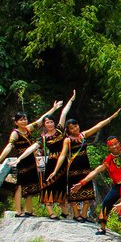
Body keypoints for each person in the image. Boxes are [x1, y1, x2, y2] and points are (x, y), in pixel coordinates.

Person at [70, 109, 121, 241]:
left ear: (119, 143)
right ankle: (102, 227)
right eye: (112, 145)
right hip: (118, 185)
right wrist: (82, 183)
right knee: (107, 202)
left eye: (116, 143)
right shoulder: (108, 160)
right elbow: (96, 171)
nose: (115, 146)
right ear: (109, 147)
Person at [45, 109, 121, 223]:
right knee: (74, 193)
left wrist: (110, 118)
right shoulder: (67, 140)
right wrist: (55, 171)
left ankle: (84, 215)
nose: (75, 129)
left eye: (76, 126)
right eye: (72, 128)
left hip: (85, 168)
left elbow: (97, 126)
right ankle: (76, 215)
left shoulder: (83, 135)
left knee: (88, 193)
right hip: (73, 169)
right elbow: (62, 156)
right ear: (68, 130)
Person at [0, 100, 63, 216]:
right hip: (22, 160)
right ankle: (18, 211)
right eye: (21, 120)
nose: (24, 121)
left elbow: (41, 119)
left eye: (25, 119)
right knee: (20, 185)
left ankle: (28, 210)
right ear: (16, 122)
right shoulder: (15, 133)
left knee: (32, 185)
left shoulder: (28, 129)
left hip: (32, 160)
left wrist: (54, 108)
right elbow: (9, 147)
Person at [38, 91, 77, 219]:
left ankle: (64, 212)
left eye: (51, 122)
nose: (50, 124)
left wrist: (71, 100)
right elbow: (34, 148)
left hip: (63, 162)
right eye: (47, 122)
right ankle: (51, 212)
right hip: (51, 162)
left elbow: (63, 113)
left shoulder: (60, 130)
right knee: (48, 184)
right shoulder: (43, 138)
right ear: (44, 125)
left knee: (61, 185)